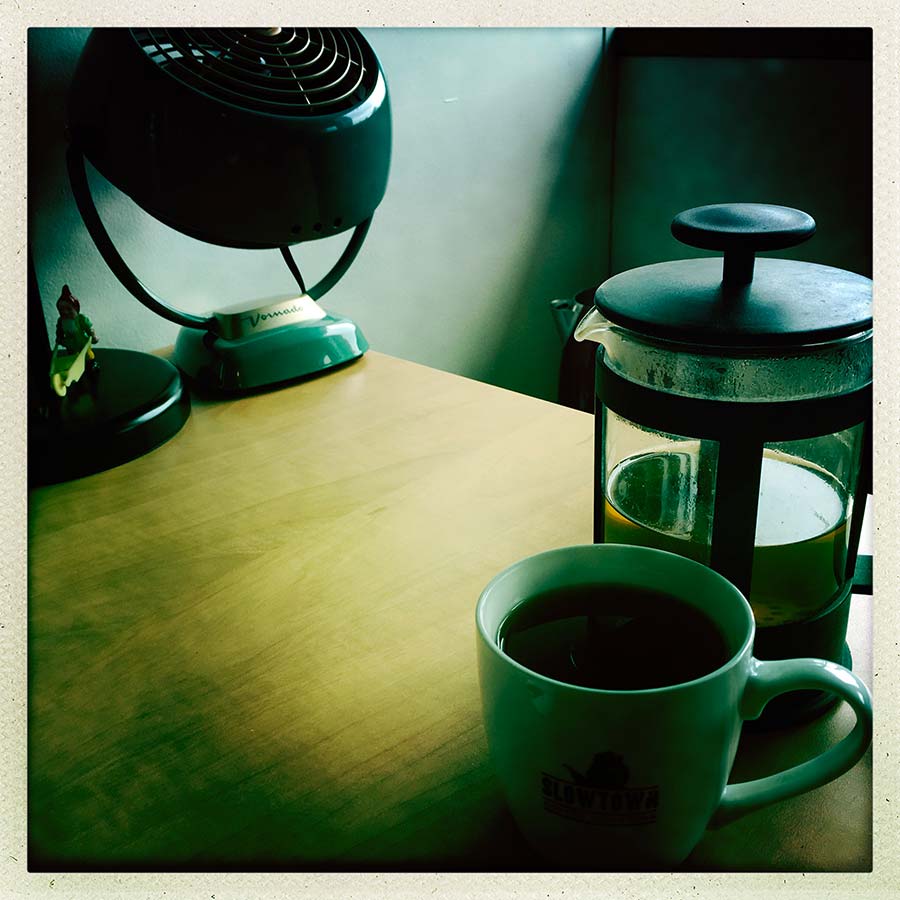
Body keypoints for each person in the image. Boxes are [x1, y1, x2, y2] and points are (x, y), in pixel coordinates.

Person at [55, 284, 98, 371]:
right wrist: (59, 338)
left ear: (75, 308)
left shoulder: (81, 319)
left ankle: (92, 365)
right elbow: (59, 330)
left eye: (68, 309)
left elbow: (89, 329)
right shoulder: (61, 321)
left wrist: (93, 337)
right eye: (62, 310)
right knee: (73, 358)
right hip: (70, 344)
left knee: (88, 356)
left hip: (82, 342)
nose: (65, 312)